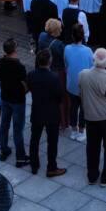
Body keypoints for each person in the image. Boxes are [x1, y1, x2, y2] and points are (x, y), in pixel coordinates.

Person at [79, 46, 106, 186]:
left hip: (90, 117)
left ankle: (92, 176)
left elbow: (80, 90)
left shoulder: (83, 74)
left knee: (92, 146)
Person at [27, 47, 66, 177]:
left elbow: (29, 88)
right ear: (49, 61)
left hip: (37, 111)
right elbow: (60, 96)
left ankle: (34, 164)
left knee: (34, 139)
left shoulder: (31, 74)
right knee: (52, 141)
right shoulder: (54, 77)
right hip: (51, 114)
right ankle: (51, 167)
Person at [0, 37, 30, 168]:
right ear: (15, 50)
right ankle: (20, 157)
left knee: (4, 124)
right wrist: (24, 92)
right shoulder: (19, 66)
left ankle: (4, 150)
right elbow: (25, 83)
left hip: (5, 97)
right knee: (17, 129)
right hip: (17, 100)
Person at [64, 24, 93, 141]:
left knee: (73, 107)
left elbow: (66, 64)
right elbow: (92, 67)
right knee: (83, 108)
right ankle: (81, 130)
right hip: (84, 84)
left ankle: (74, 130)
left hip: (71, 83)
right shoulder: (88, 50)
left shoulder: (66, 48)